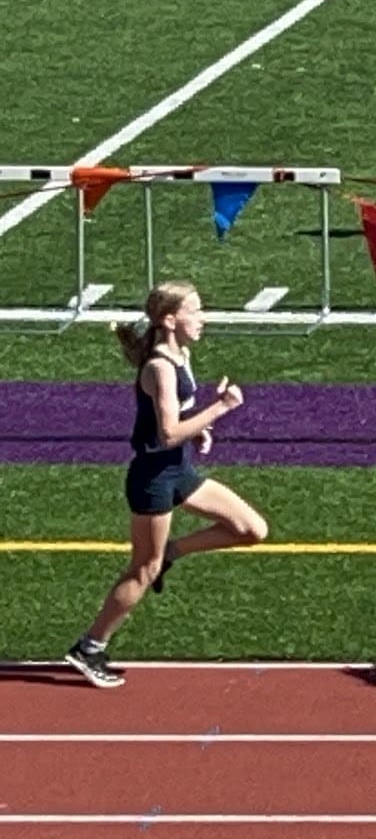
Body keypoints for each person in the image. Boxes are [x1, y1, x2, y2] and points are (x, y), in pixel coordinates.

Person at [66, 282, 269, 689]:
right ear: (170, 320)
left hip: (180, 472)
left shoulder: (183, 355)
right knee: (142, 568)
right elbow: (167, 432)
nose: (203, 318)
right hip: (154, 480)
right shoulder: (159, 367)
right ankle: (89, 646)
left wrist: (200, 432)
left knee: (251, 530)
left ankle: (172, 554)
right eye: (195, 310)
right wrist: (221, 408)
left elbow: (177, 423)